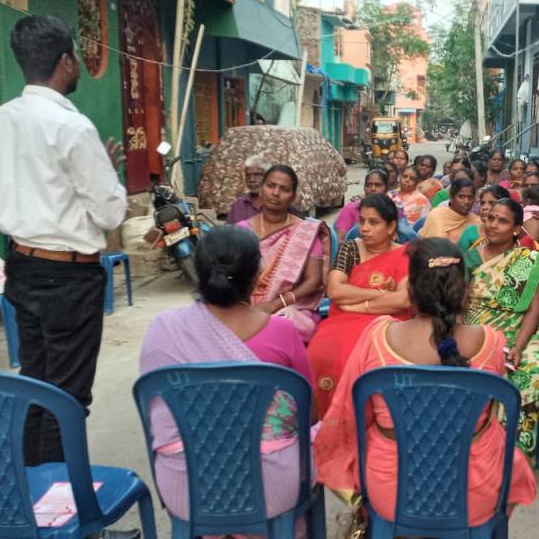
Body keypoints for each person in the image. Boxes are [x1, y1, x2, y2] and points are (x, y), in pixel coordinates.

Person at [0, 15, 127, 466]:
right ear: (65, 62)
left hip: (22, 266)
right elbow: (110, 213)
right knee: (67, 395)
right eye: (75, 56)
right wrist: (105, 175)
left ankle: (34, 491)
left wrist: (35, 197)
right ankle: (62, 502)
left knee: (37, 381)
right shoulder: (73, 128)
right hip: (69, 276)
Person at [313, 238, 538, 529]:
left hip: (392, 492)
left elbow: (351, 416)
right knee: (507, 452)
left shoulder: (376, 337)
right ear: (465, 291)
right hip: (474, 492)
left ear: (410, 289)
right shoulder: (492, 341)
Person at [139, 225, 314, 524]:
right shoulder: (283, 331)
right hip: (271, 488)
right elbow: (309, 414)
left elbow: (153, 414)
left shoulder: (162, 329)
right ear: (257, 275)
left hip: (186, 488)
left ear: (198, 271)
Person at [461, 199, 539, 460]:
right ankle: (475, 450)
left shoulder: (530, 261)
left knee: (533, 371)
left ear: (515, 229)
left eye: (502, 221)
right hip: (476, 329)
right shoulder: (469, 257)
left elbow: (534, 310)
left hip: (522, 331)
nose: (493, 224)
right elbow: (459, 306)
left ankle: (514, 454)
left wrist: (518, 347)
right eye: (490, 218)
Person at [307, 195, 411, 416]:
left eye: (373, 222)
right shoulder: (350, 249)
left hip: (386, 325)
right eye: (362, 221)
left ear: (391, 226)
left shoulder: (405, 255)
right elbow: (335, 291)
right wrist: (381, 294)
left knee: (361, 361)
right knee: (319, 355)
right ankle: (326, 421)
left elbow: (402, 300)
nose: (364, 228)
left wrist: (357, 305)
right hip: (341, 322)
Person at [238, 165, 328, 343]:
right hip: (245, 303)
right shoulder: (241, 230)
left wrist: (275, 304)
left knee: (286, 322)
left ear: (293, 197)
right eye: (270, 186)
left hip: (289, 306)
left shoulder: (305, 232)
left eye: (284, 189)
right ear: (261, 189)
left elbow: (314, 281)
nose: (276, 193)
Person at [419, 177, 481, 244]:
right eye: (461, 197)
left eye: (470, 197)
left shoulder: (477, 222)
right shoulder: (436, 215)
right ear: (452, 197)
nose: (466, 201)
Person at [334, 168, 390, 242]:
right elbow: (339, 240)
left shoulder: (392, 210)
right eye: (368, 185)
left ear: (386, 189)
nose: (373, 189)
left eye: (378, 185)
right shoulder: (351, 209)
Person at [226, 155, 271, 224]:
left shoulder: (276, 203)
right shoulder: (238, 206)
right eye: (248, 175)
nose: (252, 180)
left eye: (257, 175)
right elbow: (229, 230)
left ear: (268, 176)